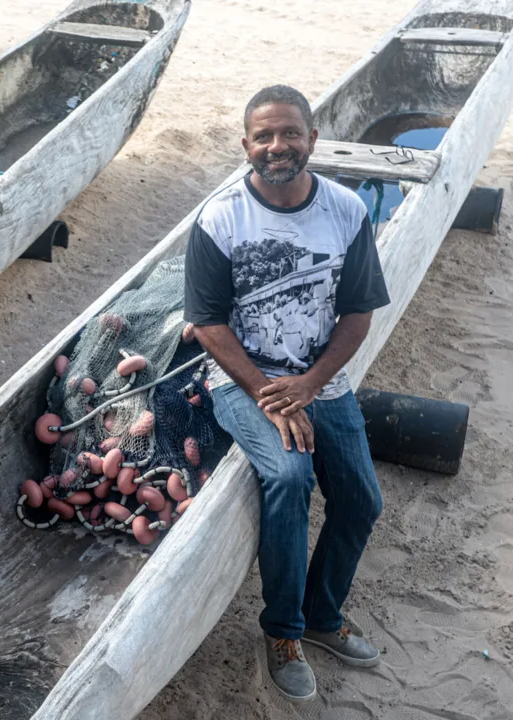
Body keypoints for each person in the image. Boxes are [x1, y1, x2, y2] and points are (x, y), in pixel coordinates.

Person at [183, 85, 389, 703]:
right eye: (265, 136)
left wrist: (310, 384)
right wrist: (269, 393)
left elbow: (356, 312)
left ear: (312, 140)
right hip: (241, 379)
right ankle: (284, 632)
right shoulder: (219, 220)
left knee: (360, 502)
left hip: (319, 380)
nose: (278, 146)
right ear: (246, 146)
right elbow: (209, 325)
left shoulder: (346, 211)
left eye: (290, 134)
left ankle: (323, 617)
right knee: (291, 477)